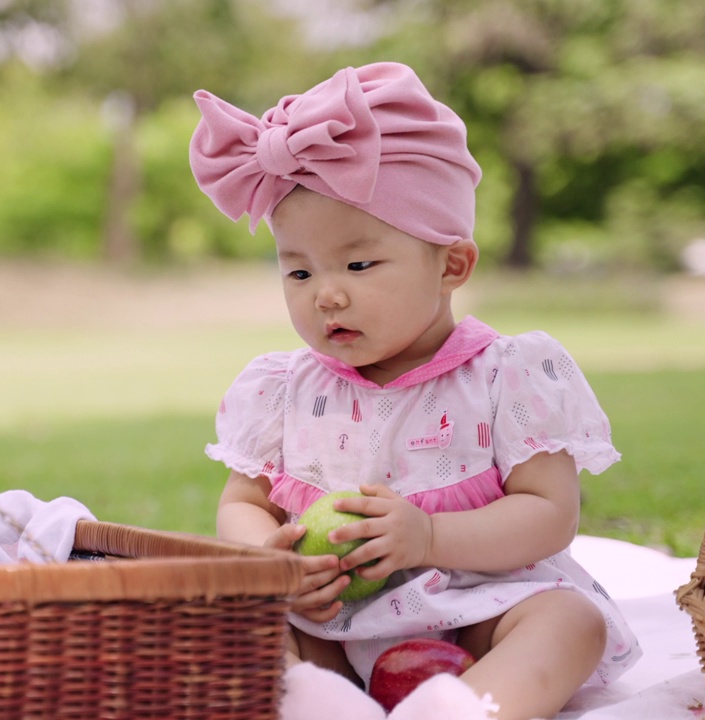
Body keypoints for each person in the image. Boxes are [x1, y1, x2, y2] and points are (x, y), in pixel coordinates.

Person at [188, 62, 639, 720]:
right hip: (333, 620)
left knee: (570, 620)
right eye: (298, 271)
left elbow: (550, 515)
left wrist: (428, 536)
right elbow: (242, 504)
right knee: (231, 618)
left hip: (477, 612)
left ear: (451, 264)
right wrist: (270, 559)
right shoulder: (283, 388)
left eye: (359, 263)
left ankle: (466, 709)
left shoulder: (505, 375)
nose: (327, 293)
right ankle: (320, 702)